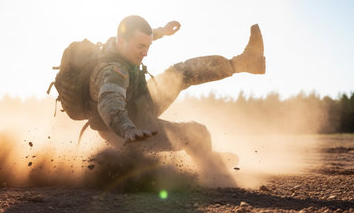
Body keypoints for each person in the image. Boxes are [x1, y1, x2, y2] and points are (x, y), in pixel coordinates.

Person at [87, 15, 265, 186]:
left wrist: (161, 32)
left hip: (139, 104)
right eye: (141, 47)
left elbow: (138, 37)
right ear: (121, 42)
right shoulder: (113, 72)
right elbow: (110, 102)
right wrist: (128, 129)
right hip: (130, 131)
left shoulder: (118, 44)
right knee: (199, 133)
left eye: (147, 46)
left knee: (179, 73)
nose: (145, 53)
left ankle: (245, 62)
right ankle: (212, 167)